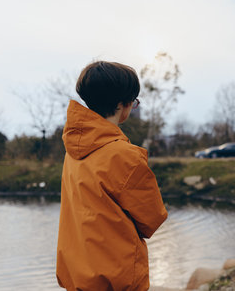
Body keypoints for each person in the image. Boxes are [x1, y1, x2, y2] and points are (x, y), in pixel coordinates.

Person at [56, 61, 168, 291]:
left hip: (78, 274)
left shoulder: (73, 150)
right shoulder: (123, 155)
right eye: (134, 102)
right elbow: (152, 218)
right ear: (122, 104)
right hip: (116, 277)